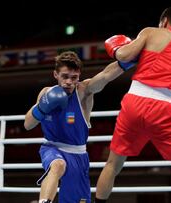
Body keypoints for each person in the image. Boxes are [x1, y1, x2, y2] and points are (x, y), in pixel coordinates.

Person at [95, 7, 171, 203]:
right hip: (164, 107)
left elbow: (123, 56)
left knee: (113, 164)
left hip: (134, 102)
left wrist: (117, 48)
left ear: (164, 21)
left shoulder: (151, 32)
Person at [24, 51, 132, 203]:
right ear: (55, 74)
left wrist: (129, 59)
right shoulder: (46, 93)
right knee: (57, 165)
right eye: (65, 76)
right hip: (52, 148)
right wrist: (42, 107)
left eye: (74, 77)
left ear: (79, 75)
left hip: (78, 156)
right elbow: (27, 125)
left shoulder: (84, 91)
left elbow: (106, 75)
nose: (69, 82)